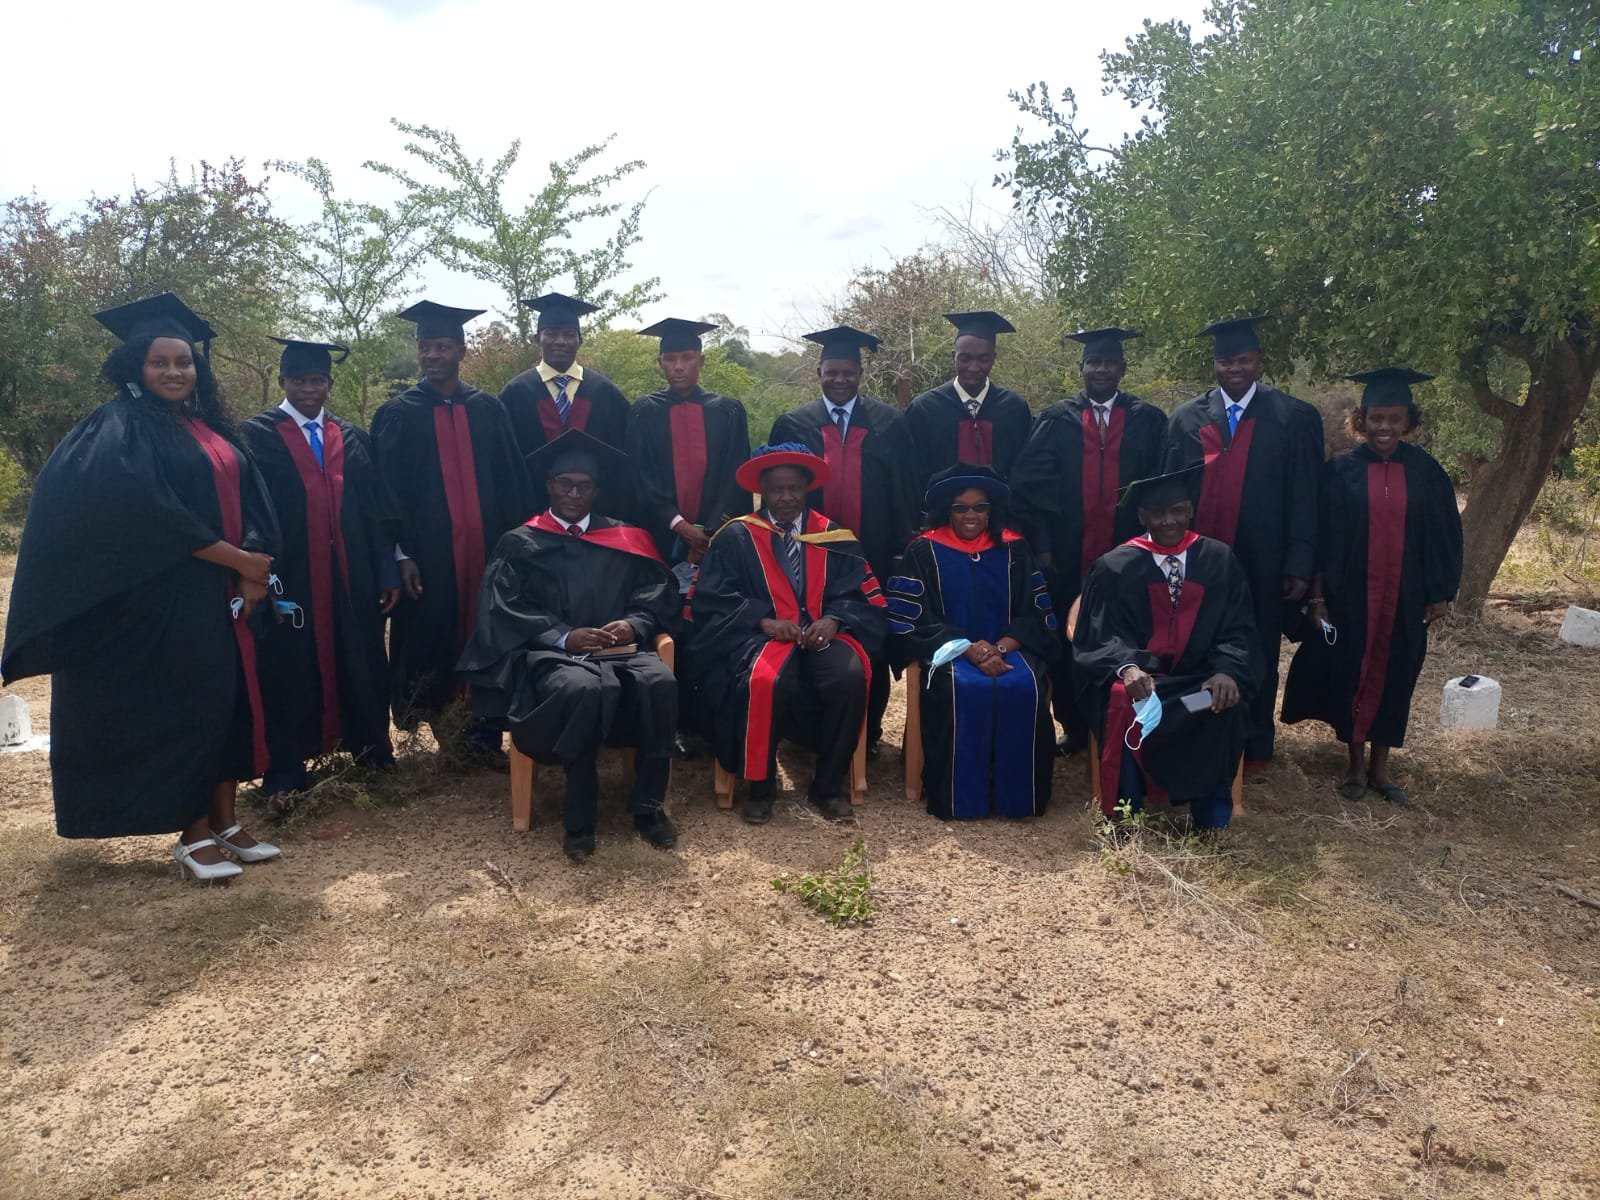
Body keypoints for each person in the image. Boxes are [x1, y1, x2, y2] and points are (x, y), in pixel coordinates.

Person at [2, 293, 281, 879]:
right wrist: (237, 559)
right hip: (164, 598)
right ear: (136, 366)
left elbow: (253, 493)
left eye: (184, 362)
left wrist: (256, 567)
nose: (175, 372)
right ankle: (192, 832)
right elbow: (147, 512)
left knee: (228, 702)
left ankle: (225, 819)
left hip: (225, 595)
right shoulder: (118, 427)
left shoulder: (206, 424)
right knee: (189, 710)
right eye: (161, 362)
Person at [458, 431, 680, 860]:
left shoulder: (624, 537)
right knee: (585, 689)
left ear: (597, 489)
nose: (574, 494)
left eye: (584, 486)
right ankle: (579, 815)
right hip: (551, 656)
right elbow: (503, 608)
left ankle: (649, 807)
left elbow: (655, 592)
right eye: (565, 484)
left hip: (622, 653)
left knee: (660, 682)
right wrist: (562, 634)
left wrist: (634, 625)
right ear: (550, 485)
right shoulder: (521, 542)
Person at [1281, 368, 1463, 806]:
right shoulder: (1341, 471)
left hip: (1406, 596)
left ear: (1408, 422)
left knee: (1398, 674)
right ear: (1361, 420)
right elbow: (1322, 539)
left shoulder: (1427, 472)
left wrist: (1440, 593)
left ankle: (1382, 767)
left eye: (1394, 419)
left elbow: (1445, 534)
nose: (1385, 428)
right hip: (1352, 597)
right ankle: (1355, 764)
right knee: (1351, 674)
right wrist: (1318, 598)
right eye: (1376, 418)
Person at [238, 337, 401, 815]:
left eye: (318, 380)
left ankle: (372, 752)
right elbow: (247, 507)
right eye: (300, 381)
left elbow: (376, 510)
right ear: (284, 382)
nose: (310, 389)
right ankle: (286, 768)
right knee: (288, 666)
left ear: (329, 382)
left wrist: (386, 568)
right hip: (292, 577)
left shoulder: (349, 436)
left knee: (363, 657)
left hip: (352, 576)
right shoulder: (257, 436)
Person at [688, 444, 887, 824]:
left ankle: (827, 785)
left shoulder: (835, 536)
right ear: (762, 490)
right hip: (759, 636)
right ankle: (761, 787)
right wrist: (763, 621)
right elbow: (712, 599)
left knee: (850, 676)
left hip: (822, 632)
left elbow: (861, 594)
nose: (786, 498)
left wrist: (834, 620)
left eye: (794, 488)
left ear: (806, 489)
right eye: (777, 489)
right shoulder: (737, 536)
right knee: (766, 679)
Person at [370, 300, 533, 766]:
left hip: (486, 555)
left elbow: (512, 482)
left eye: (443, 346)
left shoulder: (488, 410)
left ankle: (483, 736)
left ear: (461, 351)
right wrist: (400, 554)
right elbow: (385, 494)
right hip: (430, 558)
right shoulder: (399, 413)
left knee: (486, 634)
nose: (432, 355)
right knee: (434, 637)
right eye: (425, 347)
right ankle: (446, 733)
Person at [1162, 314, 1323, 770]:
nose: (1235, 368)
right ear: (1214, 363)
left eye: (1244, 359)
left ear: (1259, 361)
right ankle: (1198, 732)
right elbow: (1169, 496)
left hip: (1264, 557)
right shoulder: (1185, 420)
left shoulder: (1293, 417)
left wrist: (1299, 561)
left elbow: (1307, 495)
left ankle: (1254, 741)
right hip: (1198, 560)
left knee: (1259, 648)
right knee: (1195, 644)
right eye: (1226, 360)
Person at [1072, 467, 1261, 830]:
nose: (1168, 521)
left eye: (1177, 511)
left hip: (1199, 684)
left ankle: (1210, 821)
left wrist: (1227, 670)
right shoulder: (1115, 566)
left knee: (1223, 702)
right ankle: (1125, 817)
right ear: (1142, 516)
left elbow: (1239, 628)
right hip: (1147, 685)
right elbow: (1097, 635)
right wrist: (1127, 667)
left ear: (1190, 510)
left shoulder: (1219, 560)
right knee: (1123, 701)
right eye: (1157, 513)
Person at [1010, 327, 1168, 756]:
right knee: (1067, 639)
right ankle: (1075, 726)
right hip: (1065, 554)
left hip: (1129, 556)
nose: (1100, 369)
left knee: (1128, 635)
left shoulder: (1148, 420)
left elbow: (1162, 490)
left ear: (1122, 367)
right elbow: (1029, 489)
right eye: (1093, 363)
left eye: (1109, 362)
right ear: (1080, 368)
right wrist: (1042, 546)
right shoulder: (1056, 418)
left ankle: (1124, 720)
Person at [769, 325, 916, 758]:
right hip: (810, 553)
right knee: (810, 633)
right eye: (831, 371)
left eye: (847, 372)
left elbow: (904, 491)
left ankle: (866, 733)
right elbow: (780, 493)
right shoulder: (793, 423)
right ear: (818, 372)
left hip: (874, 550)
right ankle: (805, 733)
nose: (839, 379)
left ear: (860, 373)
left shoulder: (890, 423)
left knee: (870, 638)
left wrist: (902, 548)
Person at [886, 466, 1059, 819]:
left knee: (1025, 686)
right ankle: (960, 797)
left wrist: (1000, 648)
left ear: (991, 509)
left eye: (979, 507)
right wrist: (968, 649)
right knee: (964, 688)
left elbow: (1036, 614)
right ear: (946, 511)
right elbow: (912, 620)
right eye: (960, 508)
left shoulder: (1015, 549)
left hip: (1009, 650)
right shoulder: (923, 551)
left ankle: (1019, 797)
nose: (970, 516)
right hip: (949, 653)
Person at [625, 317, 751, 563]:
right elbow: (641, 476)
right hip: (660, 533)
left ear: (701, 361)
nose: (678, 366)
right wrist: (679, 525)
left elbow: (735, 476)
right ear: (660, 363)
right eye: (670, 359)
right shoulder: (644, 411)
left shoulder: (728, 412)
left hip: (718, 536)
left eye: (687, 357)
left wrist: (711, 530)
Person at [498, 292, 632, 514]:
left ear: (580, 340)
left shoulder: (605, 393)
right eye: (551, 333)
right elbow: (505, 461)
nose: (560, 341)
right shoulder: (516, 392)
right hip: (532, 512)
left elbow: (622, 457)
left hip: (596, 513)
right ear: (537, 339)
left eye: (569, 334)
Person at [904, 311, 1033, 495]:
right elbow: (911, 474)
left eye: (983, 359)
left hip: (1001, 517)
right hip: (940, 518)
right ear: (953, 357)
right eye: (965, 358)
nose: (973, 367)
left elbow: (1024, 471)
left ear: (994, 359)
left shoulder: (1014, 408)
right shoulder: (925, 409)